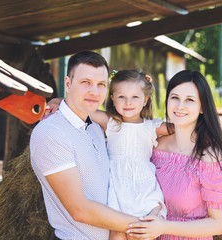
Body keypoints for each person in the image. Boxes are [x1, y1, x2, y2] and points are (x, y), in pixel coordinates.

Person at [45, 69, 171, 240]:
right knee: (116, 233)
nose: (128, 102)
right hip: (117, 187)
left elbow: (182, 128)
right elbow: (78, 107)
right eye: (121, 97)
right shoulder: (111, 123)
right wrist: (58, 101)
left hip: (143, 187)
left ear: (145, 100)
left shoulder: (152, 127)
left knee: (141, 233)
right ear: (112, 98)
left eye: (135, 97)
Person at [30, 51, 140, 240]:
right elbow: (80, 210)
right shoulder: (50, 132)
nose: (94, 92)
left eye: (101, 85)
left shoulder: (95, 128)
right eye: (85, 82)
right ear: (67, 84)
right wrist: (144, 226)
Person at [126, 70, 222, 240]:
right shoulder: (155, 145)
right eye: (174, 97)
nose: (180, 106)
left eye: (189, 100)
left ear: (202, 106)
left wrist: (164, 226)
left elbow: (218, 224)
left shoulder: (208, 156)